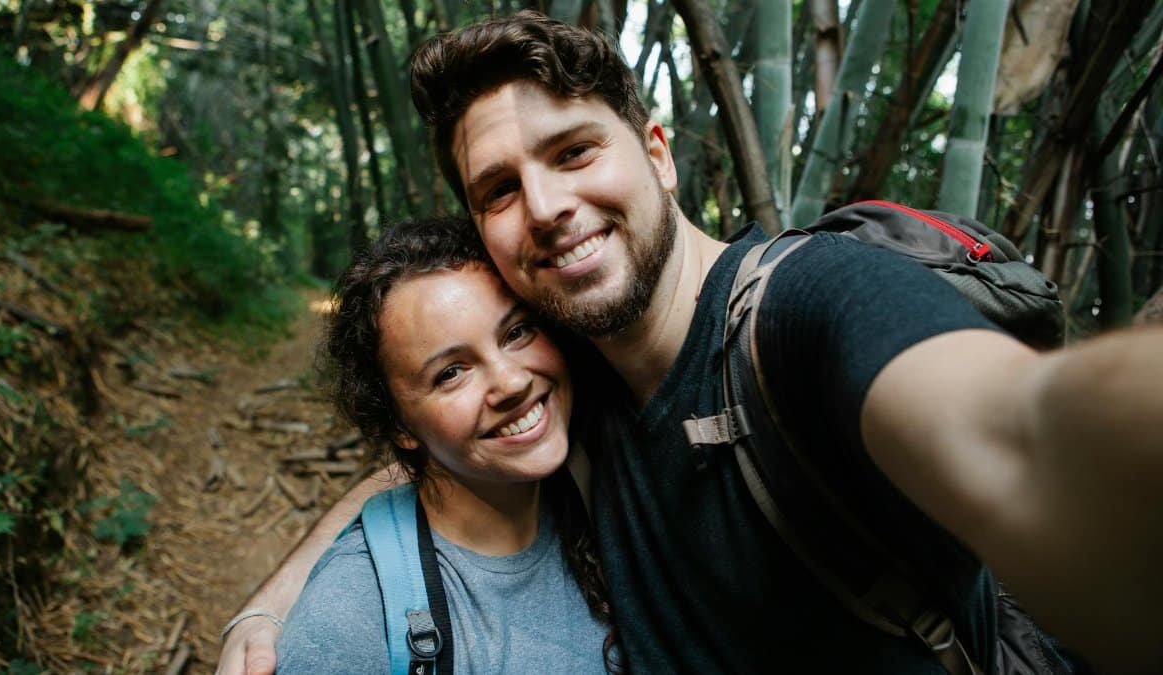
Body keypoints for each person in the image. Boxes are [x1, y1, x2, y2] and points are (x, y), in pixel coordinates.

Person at [220, 12, 1163, 675]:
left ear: (658, 153)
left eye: (574, 151)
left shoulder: (805, 311)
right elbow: (428, 454)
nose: (546, 208)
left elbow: (1019, 431)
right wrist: (274, 605)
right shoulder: (570, 372)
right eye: (498, 190)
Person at [273, 217, 617, 673]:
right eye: (451, 372)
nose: (512, 382)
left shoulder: (609, 491)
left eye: (516, 332)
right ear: (399, 425)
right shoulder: (349, 622)